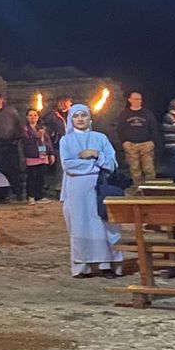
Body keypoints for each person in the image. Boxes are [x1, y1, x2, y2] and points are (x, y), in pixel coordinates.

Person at [59, 103, 123, 277]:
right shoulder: (66, 140)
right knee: (80, 227)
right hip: (77, 190)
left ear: (89, 118)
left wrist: (96, 154)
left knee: (103, 226)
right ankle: (82, 266)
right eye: (76, 116)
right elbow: (69, 165)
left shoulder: (101, 138)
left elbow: (112, 163)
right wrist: (96, 166)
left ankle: (106, 264)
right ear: (71, 119)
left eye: (83, 115)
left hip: (99, 189)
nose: (80, 119)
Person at [114, 91, 161, 193]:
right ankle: (138, 189)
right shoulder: (124, 114)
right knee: (134, 168)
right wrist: (124, 142)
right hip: (130, 145)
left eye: (139, 99)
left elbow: (154, 128)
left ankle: (151, 189)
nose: (138, 101)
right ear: (130, 100)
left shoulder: (147, 113)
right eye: (135, 99)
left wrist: (152, 142)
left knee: (149, 168)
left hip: (146, 144)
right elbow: (119, 129)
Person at [21, 108, 54, 202]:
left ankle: (39, 195)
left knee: (41, 176)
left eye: (35, 115)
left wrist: (51, 153)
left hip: (43, 154)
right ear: (27, 117)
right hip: (32, 155)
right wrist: (36, 136)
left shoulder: (42, 128)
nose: (33, 117)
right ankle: (30, 196)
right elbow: (25, 140)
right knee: (32, 176)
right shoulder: (25, 128)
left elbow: (48, 141)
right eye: (30, 115)